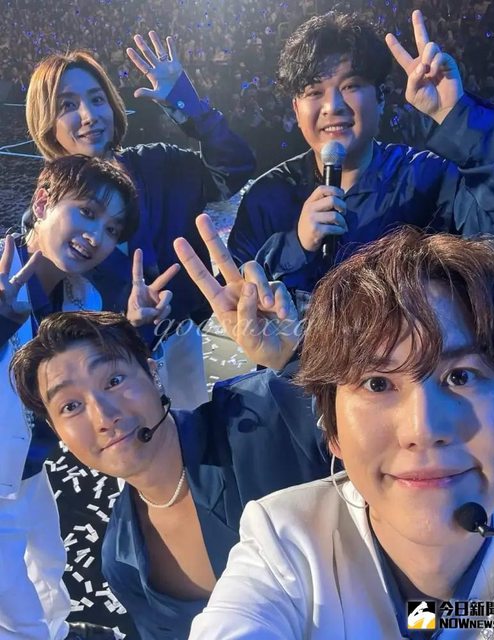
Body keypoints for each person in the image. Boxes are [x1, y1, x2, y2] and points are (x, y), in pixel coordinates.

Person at [9, 216, 330, 640]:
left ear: (154, 374)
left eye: (114, 380)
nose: (103, 416)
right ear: (56, 431)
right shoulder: (125, 561)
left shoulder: (263, 413)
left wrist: (296, 359)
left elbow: (379, 424)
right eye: (71, 406)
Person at [189, 227, 494, 639]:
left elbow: (427, 616)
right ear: (333, 433)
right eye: (377, 383)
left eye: (461, 376)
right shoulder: (286, 543)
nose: (423, 429)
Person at [26, 32, 256, 408]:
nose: (89, 116)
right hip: (112, 369)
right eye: (68, 104)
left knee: (191, 433)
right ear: (46, 122)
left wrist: (188, 104)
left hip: (181, 339)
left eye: (97, 99)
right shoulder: (47, 221)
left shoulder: (159, 163)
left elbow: (234, 168)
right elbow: (45, 329)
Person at [0, 154, 177, 640]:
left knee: (49, 566)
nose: (96, 236)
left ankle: (59, 632)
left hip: (29, 468)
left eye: (112, 229)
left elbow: (97, 377)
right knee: (15, 611)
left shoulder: (83, 296)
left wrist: (135, 330)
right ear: (42, 202)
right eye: (87, 212)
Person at [228, 10, 494, 298]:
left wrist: (459, 116)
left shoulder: (430, 180)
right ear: (295, 110)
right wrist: (295, 246)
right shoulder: (267, 197)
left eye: (350, 86)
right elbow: (233, 298)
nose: (332, 106)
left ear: (380, 98)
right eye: (314, 92)